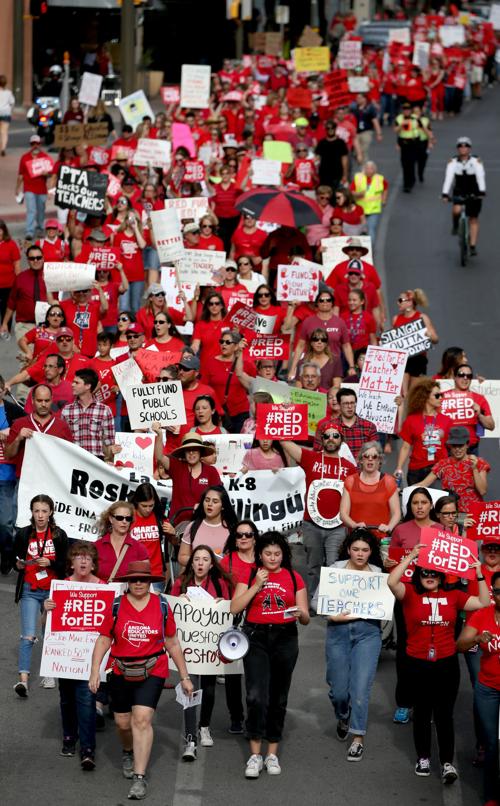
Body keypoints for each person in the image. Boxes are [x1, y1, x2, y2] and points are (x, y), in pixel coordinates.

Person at [89, 560, 193, 801]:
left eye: (143, 579)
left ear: (149, 581)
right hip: (120, 670)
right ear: (127, 582)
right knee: (123, 723)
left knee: (142, 720)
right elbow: (104, 639)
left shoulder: (162, 605)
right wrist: (95, 671)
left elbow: (172, 642)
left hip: (152, 669)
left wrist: (185, 677)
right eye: (133, 579)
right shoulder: (116, 606)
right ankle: (128, 750)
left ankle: (139, 777)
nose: (138, 583)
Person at [388, 544, 489, 783]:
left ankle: (446, 762)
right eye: (425, 573)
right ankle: (423, 757)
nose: (430, 577)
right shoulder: (410, 593)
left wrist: (479, 572)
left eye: (434, 574)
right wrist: (412, 556)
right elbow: (392, 582)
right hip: (417, 663)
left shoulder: (453, 595)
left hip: (446, 662)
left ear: (441, 576)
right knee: (422, 712)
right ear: (419, 575)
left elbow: (483, 601)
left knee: (444, 715)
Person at [231, 531, 309, 778]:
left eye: (277, 554)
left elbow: (306, 617)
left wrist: (301, 614)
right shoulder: (250, 574)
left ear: (283, 554)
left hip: (286, 638)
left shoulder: (294, 578)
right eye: (268, 554)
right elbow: (235, 607)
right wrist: (256, 585)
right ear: (260, 554)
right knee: (255, 695)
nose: (273, 558)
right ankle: (255, 754)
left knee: (279, 697)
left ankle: (271, 753)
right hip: (257, 637)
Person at [325, 529, 384, 762]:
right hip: (338, 633)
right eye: (356, 549)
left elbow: (384, 604)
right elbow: (318, 601)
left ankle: (358, 737)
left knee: (360, 689)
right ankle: (343, 715)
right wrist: (333, 616)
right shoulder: (335, 571)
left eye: (365, 550)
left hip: (367, 634)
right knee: (338, 690)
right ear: (348, 549)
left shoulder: (378, 573)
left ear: (371, 552)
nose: (360, 554)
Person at [171, 545, 233, 759]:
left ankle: (204, 725)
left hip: (209, 648)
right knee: (189, 687)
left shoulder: (220, 583)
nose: (200, 563)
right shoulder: (181, 583)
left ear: (211, 563)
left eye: (205, 559)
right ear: (191, 562)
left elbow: (229, 611)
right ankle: (191, 737)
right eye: (196, 559)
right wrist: (179, 601)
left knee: (208, 688)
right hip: (187, 647)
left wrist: (221, 603)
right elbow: (170, 610)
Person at [43, 541, 101, 770]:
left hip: (91, 658)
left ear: (94, 564)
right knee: (67, 698)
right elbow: (46, 626)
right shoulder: (61, 587)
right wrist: (47, 610)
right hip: (65, 656)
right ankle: (69, 736)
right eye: (79, 557)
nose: (83, 561)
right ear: (71, 563)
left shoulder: (103, 588)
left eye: (87, 557)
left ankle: (87, 749)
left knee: (87, 701)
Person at [282, 426, 356, 600]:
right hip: (311, 524)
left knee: (333, 566)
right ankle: (313, 602)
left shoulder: (350, 468)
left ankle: (331, 602)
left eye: (335, 436)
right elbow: (285, 442)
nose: (331, 439)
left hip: (338, 526)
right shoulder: (311, 459)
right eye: (327, 436)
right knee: (313, 566)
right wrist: (284, 416)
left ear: (341, 440)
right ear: (321, 440)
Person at [388, 487, 441, 726]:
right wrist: (390, 561)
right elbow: (392, 561)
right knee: (406, 651)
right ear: (410, 507)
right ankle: (404, 702)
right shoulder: (401, 530)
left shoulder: (441, 530)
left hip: (435, 599)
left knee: (432, 651)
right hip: (407, 598)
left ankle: (427, 702)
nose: (419, 506)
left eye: (423, 502)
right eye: (415, 503)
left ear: (431, 505)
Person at [13, 494, 68, 696]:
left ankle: (49, 673)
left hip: (52, 591)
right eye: (36, 511)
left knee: (49, 635)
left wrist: (51, 563)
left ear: (51, 512)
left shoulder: (59, 535)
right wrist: (18, 565)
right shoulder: (24, 534)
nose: (40, 515)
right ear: (32, 512)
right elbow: (15, 558)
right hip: (30, 589)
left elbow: (66, 566)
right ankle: (23, 681)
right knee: (28, 636)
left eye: (44, 511)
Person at [457, 571, 500, 805]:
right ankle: (491, 795)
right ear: (493, 593)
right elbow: (460, 645)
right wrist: (477, 639)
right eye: (499, 591)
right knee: (493, 743)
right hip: (489, 689)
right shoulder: (482, 615)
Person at [152, 430, 220, 525]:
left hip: (203, 523)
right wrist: (159, 435)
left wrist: (202, 506)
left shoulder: (211, 471)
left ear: (200, 452)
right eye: (188, 450)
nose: (191, 453)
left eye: (195, 449)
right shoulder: (177, 466)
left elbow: (218, 497)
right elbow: (159, 457)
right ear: (184, 452)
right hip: (177, 524)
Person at [5, 384, 74, 478]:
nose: (43, 404)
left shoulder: (62, 426)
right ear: (32, 400)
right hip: (26, 481)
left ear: (52, 400)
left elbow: (70, 457)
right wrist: (18, 439)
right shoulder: (19, 424)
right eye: (39, 400)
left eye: (47, 400)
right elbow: (8, 455)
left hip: (54, 481)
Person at [395, 379, 453, 487]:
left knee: (437, 503)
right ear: (425, 397)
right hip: (416, 470)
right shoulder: (411, 420)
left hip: (438, 469)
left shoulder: (447, 420)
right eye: (437, 395)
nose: (441, 398)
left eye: (441, 395)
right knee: (417, 502)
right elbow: (405, 447)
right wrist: (399, 468)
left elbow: (451, 447)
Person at [420, 426, 490, 514]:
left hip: (474, 513)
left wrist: (474, 469)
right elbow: (424, 483)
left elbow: (482, 491)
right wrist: (404, 490)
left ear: (467, 444)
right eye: (454, 446)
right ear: (450, 446)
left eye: (460, 445)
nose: (457, 449)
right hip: (451, 514)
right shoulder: (443, 464)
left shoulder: (479, 462)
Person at [289, 292, 356, 381]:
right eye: (321, 300)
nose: (325, 302)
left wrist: (351, 366)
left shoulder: (340, 322)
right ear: (317, 303)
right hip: (311, 366)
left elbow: (346, 346)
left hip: (334, 366)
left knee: (333, 392)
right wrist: (293, 368)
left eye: (328, 300)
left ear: (332, 303)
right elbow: (300, 346)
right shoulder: (308, 321)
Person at [340, 441, 401, 539]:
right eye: (366, 456)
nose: (370, 459)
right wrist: (354, 525)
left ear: (380, 460)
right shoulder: (350, 481)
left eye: (374, 457)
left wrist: (389, 527)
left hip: (381, 538)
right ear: (360, 460)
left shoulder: (388, 481)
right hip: (356, 538)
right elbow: (343, 513)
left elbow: (396, 513)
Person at [441, 137, 486, 256]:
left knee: (473, 218)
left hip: (474, 191)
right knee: (456, 210)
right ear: (457, 148)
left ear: (469, 148)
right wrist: (445, 193)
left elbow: (480, 176)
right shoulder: (453, 161)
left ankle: (472, 245)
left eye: (465, 146)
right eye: (460, 146)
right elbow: (449, 177)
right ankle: (456, 225)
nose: (463, 148)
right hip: (459, 190)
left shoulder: (476, 161)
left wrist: (482, 191)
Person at [61, 369, 116, 461]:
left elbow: (109, 443)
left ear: (87, 386)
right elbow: (63, 440)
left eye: (76, 383)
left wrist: (111, 456)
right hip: (73, 459)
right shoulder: (67, 410)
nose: (72, 384)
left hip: (96, 461)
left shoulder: (105, 410)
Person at [178, 485, 238, 568]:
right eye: (207, 500)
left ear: (223, 506)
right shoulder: (193, 526)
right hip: (196, 578)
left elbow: (239, 558)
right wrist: (201, 563)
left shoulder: (232, 528)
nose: (210, 504)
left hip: (222, 578)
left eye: (215, 501)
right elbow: (182, 557)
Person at [391, 289, 438, 391]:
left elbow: (435, 338)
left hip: (418, 359)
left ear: (409, 302)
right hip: (403, 360)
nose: (397, 303)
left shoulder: (421, 317)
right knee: (403, 393)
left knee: (414, 392)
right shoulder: (396, 319)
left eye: (400, 300)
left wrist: (429, 335)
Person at [440, 364, 494, 452]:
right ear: (454, 376)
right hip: (447, 449)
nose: (465, 378)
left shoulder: (479, 398)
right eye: (461, 375)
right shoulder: (442, 397)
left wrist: (479, 415)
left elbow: (491, 426)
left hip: (470, 449)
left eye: (469, 376)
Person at [0, 244, 48, 343]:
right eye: (32, 258)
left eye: (38, 258)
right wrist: (4, 323)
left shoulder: (52, 276)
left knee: (43, 357)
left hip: (47, 325)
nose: (36, 260)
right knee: (28, 355)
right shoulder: (20, 278)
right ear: (28, 260)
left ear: (43, 258)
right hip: (24, 326)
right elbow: (11, 302)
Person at [205, 331, 249, 432]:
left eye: (228, 342)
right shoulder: (210, 362)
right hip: (218, 413)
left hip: (241, 412)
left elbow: (252, 385)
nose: (223, 344)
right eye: (221, 341)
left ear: (236, 346)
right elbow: (204, 388)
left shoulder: (246, 364)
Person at [94, 501, 149, 585]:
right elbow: (86, 576)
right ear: (111, 519)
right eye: (120, 518)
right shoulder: (95, 547)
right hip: (101, 595)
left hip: (128, 596)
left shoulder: (139, 548)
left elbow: (145, 579)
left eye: (128, 518)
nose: (124, 521)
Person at [318, 388, 378, 457]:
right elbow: (318, 453)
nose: (350, 407)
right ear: (339, 404)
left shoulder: (369, 427)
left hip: (360, 467)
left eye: (352, 403)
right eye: (346, 403)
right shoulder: (326, 426)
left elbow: (374, 455)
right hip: (337, 466)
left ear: (356, 403)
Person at [129, 484, 166, 592]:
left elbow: (174, 543)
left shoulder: (158, 517)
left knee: (155, 607)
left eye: (151, 505)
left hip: (155, 575)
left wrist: (173, 534)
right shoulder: (128, 517)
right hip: (132, 574)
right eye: (144, 506)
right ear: (136, 502)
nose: (148, 509)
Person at [16, 135, 53, 241]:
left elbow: (51, 173)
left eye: (37, 143)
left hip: (41, 189)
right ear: (30, 144)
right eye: (33, 144)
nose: (35, 146)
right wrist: (17, 188)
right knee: (31, 210)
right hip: (29, 188)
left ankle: (40, 228)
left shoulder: (45, 157)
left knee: (41, 210)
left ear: (40, 144)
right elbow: (21, 174)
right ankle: (29, 231)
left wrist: (47, 174)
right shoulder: (24, 157)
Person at [350, 161, 388, 244]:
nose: (369, 170)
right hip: (360, 210)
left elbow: (385, 188)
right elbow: (351, 191)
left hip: (374, 210)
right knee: (359, 230)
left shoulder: (380, 178)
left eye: (371, 168)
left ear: (375, 170)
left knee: (371, 229)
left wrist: (384, 200)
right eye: (367, 168)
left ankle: (370, 250)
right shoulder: (358, 177)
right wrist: (358, 194)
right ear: (364, 169)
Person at [393, 102, 420, 193]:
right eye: (405, 109)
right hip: (404, 142)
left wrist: (430, 138)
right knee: (404, 163)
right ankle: (406, 183)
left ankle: (411, 180)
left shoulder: (415, 118)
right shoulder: (399, 118)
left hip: (413, 142)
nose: (406, 111)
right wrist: (401, 125)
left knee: (411, 162)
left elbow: (423, 128)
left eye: (408, 109)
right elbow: (395, 130)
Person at [315, 119, 349, 189]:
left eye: (332, 127)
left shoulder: (341, 143)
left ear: (335, 128)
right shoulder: (322, 143)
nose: (330, 130)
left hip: (337, 174)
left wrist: (345, 175)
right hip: (324, 174)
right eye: (328, 128)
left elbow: (344, 160)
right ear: (325, 129)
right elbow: (317, 159)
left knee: (336, 194)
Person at [350, 93, 382, 164]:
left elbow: (375, 121)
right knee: (356, 151)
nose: (357, 99)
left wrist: (379, 134)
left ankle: (364, 169)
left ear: (364, 99)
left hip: (366, 131)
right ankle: (361, 161)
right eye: (357, 98)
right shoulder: (354, 109)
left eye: (359, 98)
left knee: (364, 150)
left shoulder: (370, 108)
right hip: (356, 133)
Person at [0, 219, 21, 328]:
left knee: (6, 307)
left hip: (8, 284)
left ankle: (5, 327)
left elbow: (17, 265)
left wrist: (19, 283)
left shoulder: (11, 244)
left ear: (3, 231)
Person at [0, 74, 15, 155]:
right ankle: (3, 148)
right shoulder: (9, 93)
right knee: (4, 132)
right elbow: (12, 102)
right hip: (6, 113)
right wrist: (10, 110)